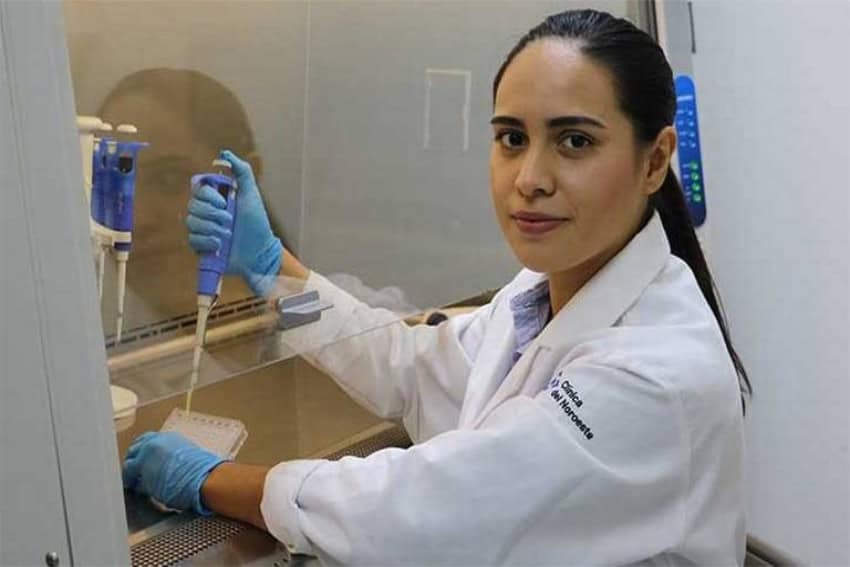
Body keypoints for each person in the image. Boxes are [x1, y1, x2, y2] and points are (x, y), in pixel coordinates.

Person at [123, 10, 751, 565]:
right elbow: (412, 369)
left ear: (654, 160)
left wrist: (214, 481)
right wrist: (275, 270)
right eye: (512, 138)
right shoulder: (535, 294)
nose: (530, 178)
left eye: (574, 141)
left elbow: (425, 511)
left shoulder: (657, 375)